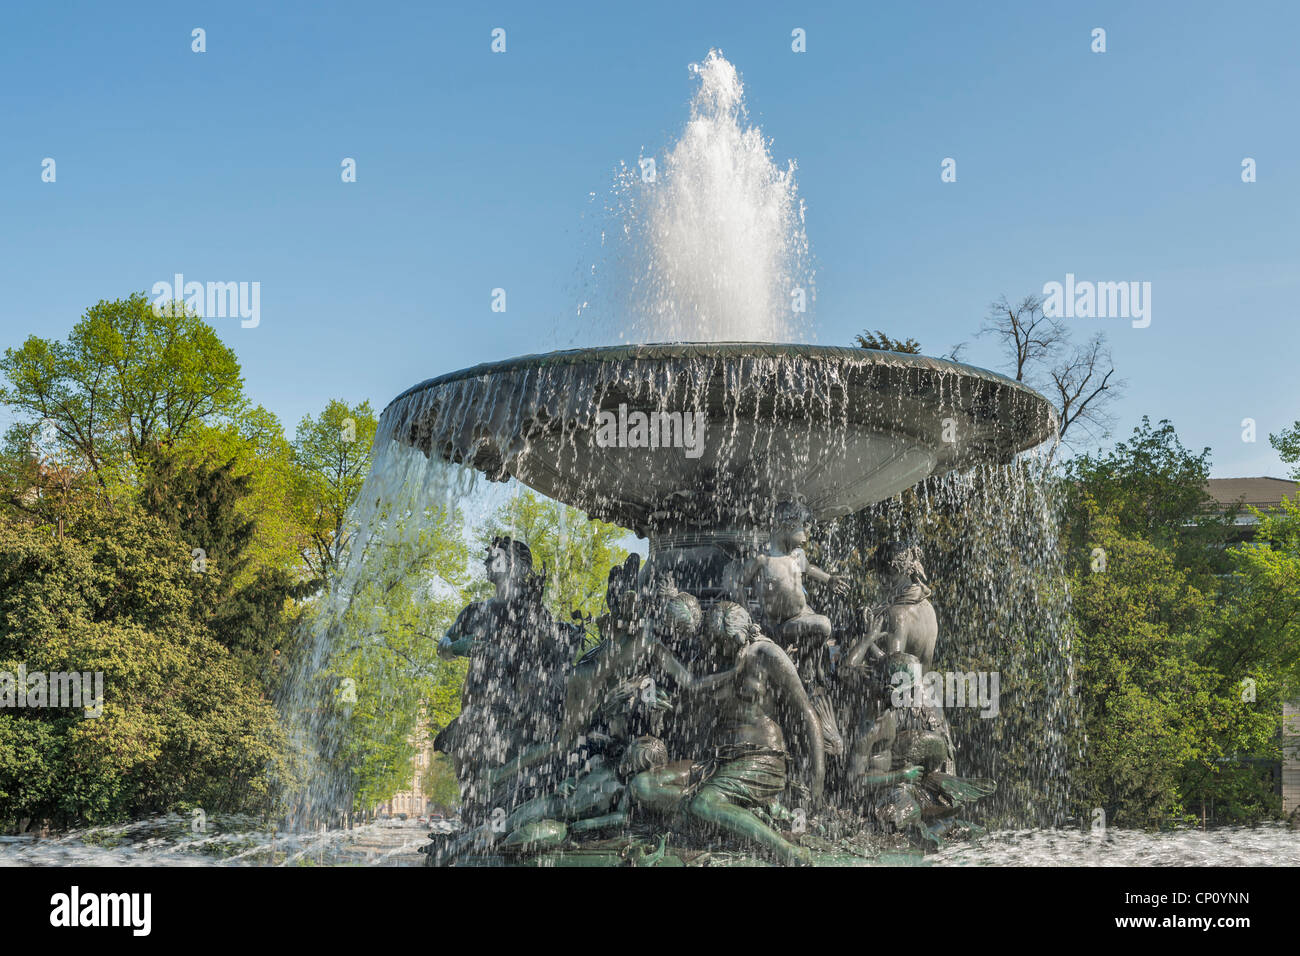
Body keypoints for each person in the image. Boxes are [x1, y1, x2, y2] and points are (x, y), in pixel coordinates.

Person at [629, 601, 824, 866]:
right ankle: (723, 814)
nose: (720, 651)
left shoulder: (767, 654)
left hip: (761, 760)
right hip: (718, 763)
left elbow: (807, 714)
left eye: (727, 645)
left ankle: (789, 852)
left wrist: (816, 787)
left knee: (704, 803)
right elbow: (689, 701)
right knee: (643, 785)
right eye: (716, 644)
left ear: (743, 635)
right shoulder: (712, 659)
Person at [738, 498, 848, 756]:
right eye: (803, 527)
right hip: (781, 625)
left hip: (802, 616)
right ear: (785, 526)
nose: (807, 535)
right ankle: (810, 671)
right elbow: (738, 584)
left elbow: (810, 571)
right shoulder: (763, 559)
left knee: (819, 625)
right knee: (823, 625)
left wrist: (830, 579)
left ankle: (810, 668)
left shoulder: (797, 556)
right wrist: (747, 618)